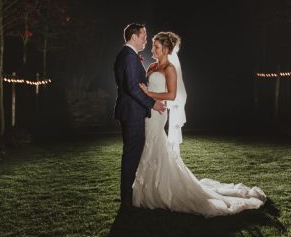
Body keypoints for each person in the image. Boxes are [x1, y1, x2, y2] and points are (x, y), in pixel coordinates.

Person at [132, 31, 266, 217]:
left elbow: (171, 95)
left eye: (156, 46)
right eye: (153, 46)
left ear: (166, 49)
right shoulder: (152, 66)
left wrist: (149, 95)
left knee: (153, 145)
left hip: (158, 113)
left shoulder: (169, 69)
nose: (152, 49)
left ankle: (157, 191)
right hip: (148, 113)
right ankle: (149, 187)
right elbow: (145, 87)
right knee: (149, 146)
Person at [114, 23, 166, 209]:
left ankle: (130, 195)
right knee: (131, 154)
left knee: (133, 153)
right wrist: (152, 103)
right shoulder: (128, 56)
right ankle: (127, 199)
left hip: (132, 110)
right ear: (134, 37)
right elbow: (132, 87)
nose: (146, 38)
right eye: (143, 35)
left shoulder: (129, 55)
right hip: (132, 112)